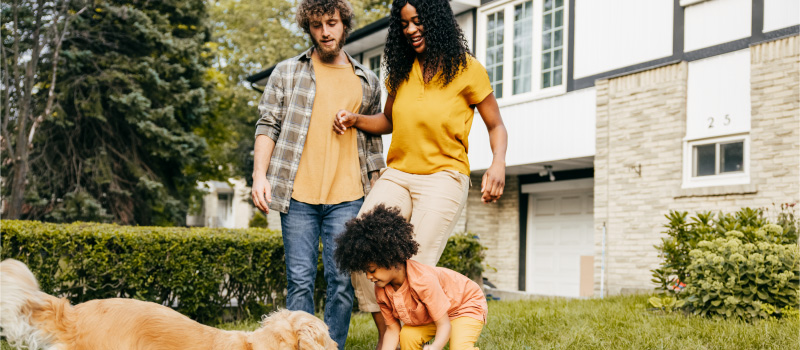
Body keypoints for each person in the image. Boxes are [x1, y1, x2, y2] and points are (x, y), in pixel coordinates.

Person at [332, 0, 507, 346]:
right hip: (398, 172)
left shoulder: (468, 70)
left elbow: (496, 125)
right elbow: (389, 121)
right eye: (404, 24)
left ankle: (427, 333)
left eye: (417, 21)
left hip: (444, 175)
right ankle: (390, 338)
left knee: (413, 265)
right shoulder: (401, 69)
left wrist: (498, 163)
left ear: (437, 20)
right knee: (364, 252)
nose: (410, 29)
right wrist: (356, 120)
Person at [250, 0, 384, 348]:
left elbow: (374, 139)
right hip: (297, 196)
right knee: (299, 281)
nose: (325, 31)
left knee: (341, 281)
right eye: (316, 24)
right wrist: (259, 176)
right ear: (307, 28)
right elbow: (267, 124)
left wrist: (377, 186)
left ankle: (332, 345)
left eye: (332, 22)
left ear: (344, 25)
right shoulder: (287, 72)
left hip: (348, 197)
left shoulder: (366, 81)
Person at [334, 204, 488, 350]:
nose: (368, 276)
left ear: (389, 258)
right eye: (365, 271)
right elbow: (393, 330)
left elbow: (444, 325)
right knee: (407, 335)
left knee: (459, 347)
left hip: (464, 306)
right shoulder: (381, 290)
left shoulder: (423, 281)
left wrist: (435, 347)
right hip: (437, 316)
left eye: (372, 270)